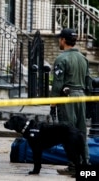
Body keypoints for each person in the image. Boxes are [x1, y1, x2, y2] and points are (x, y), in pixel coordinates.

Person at [50, 28, 90, 175]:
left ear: (63, 40)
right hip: (82, 97)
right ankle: (85, 164)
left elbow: (57, 84)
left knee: (68, 132)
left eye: (59, 39)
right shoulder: (83, 58)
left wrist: (53, 102)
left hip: (67, 99)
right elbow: (89, 81)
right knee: (81, 132)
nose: (58, 41)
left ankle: (73, 165)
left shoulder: (62, 59)